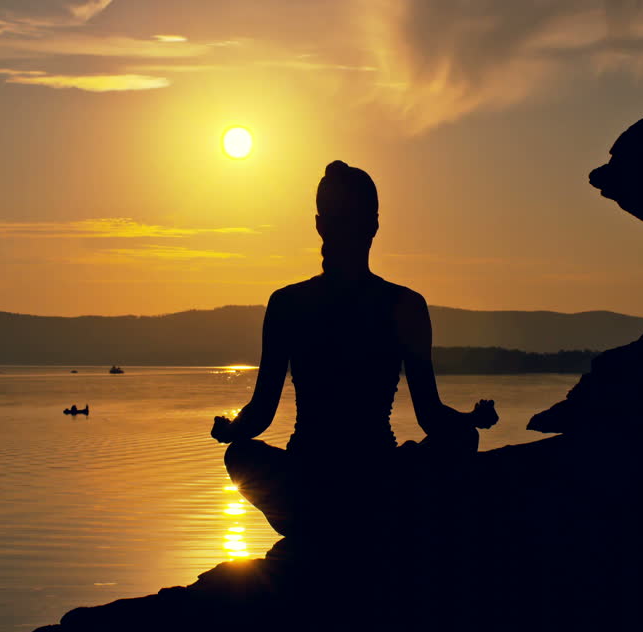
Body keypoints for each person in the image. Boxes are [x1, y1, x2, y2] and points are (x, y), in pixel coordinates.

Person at [211, 160, 497, 537]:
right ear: (374, 225)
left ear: (319, 224)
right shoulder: (405, 304)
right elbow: (431, 417)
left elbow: (260, 413)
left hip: (310, 480)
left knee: (239, 455)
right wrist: (469, 420)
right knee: (462, 440)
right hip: (379, 479)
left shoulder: (288, 303)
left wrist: (232, 429)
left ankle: (314, 523)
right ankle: (380, 518)